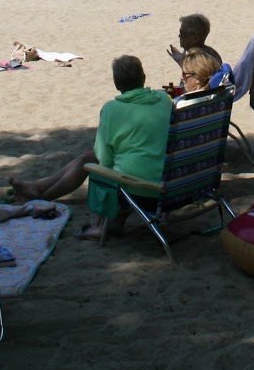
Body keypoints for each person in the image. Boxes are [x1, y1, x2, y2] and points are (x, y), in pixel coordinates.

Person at [9, 55, 172, 240]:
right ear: (143, 77)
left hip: (142, 189)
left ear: (116, 84)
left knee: (94, 162)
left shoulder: (112, 109)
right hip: (172, 183)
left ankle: (88, 220)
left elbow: (104, 159)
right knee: (88, 157)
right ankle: (38, 189)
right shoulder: (163, 99)